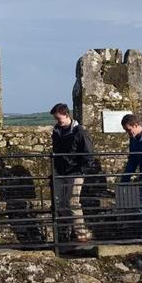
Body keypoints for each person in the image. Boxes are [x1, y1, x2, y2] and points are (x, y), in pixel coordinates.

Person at [49, 103, 95, 242]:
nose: (57, 121)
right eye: (56, 119)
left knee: (73, 202)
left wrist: (81, 171)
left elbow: (88, 153)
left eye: (59, 118)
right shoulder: (57, 130)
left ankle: (81, 234)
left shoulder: (80, 132)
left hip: (75, 172)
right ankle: (65, 234)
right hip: (60, 171)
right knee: (59, 203)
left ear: (66, 115)